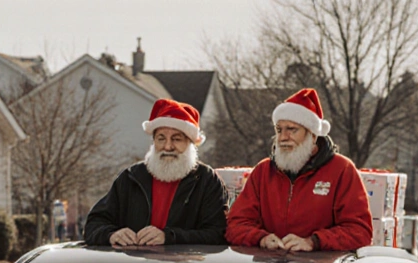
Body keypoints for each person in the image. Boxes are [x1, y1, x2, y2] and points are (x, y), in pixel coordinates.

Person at [225, 88, 372, 252]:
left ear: (313, 135)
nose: (282, 138)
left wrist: (314, 242)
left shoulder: (342, 170)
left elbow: (360, 232)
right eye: (279, 130)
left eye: (292, 130)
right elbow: (235, 225)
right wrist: (260, 238)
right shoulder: (262, 172)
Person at [82, 99, 229, 247]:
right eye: (161, 138)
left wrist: (170, 237)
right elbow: (93, 225)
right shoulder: (131, 177)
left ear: (190, 144)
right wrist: (111, 234)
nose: (168, 146)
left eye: (176, 139)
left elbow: (218, 234)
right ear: (153, 142)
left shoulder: (207, 180)